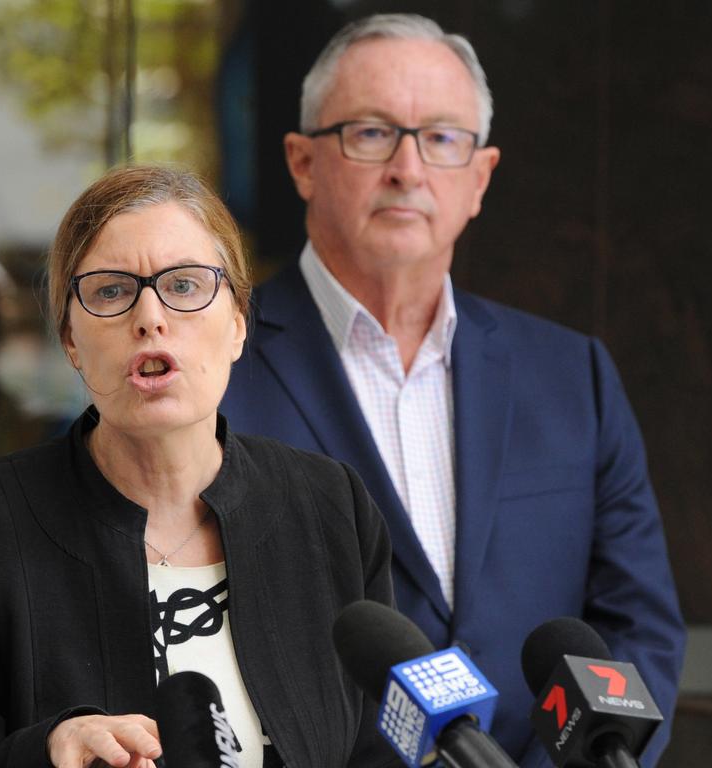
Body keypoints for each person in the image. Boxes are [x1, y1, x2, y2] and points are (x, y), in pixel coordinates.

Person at [221, 13, 686, 767]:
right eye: (371, 133)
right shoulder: (216, 372)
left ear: (480, 177)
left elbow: (641, 631)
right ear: (303, 163)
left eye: (441, 138)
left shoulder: (575, 378)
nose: (408, 168)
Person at [0, 166, 398, 768]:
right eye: (111, 291)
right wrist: (45, 755)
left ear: (237, 323)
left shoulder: (331, 507)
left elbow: (379, 750)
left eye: (183, 285)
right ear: (70, 340)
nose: (150, 315)